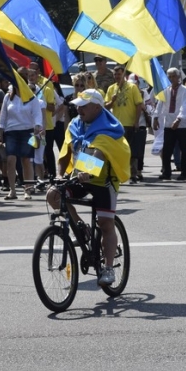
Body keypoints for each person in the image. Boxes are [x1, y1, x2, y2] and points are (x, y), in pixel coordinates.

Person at [48, 89, 130, 286]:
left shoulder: (107, 127)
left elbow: (99, 153)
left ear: (97, 107)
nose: (78, 109)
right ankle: (80, 227)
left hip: (102, 181)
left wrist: (88, 171)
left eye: (83, 106)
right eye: (77, 105)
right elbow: (65, 152)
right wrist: (60, 174)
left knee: (105, 224)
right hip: (80, 176)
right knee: (53, 195)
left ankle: (108, 268)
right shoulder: (75, 124)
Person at [0, 82, 42, 200]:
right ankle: (12, 191)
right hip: (11, 132)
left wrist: (37, 126)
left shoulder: (32, 97)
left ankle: (27, 190)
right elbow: (3, 116)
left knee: (26, 160)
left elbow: (38, 114)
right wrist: (0, 133)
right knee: (11, 159)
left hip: (27, 131)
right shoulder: (8, 96)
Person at [105, 65, 144, 182]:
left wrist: (136, 121)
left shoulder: (132, 87)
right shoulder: (111, 89)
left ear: (124, 75)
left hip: (130, 124)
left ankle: (133, 174)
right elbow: (105, 107)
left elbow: (139, 105)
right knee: (117, 151)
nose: (117, 77)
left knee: (131, 150)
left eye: (119, 74)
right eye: (115, 74)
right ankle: (118, 174)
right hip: (117, 125)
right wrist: (112, 101)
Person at [153, 68, 186, 181]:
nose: (171, 78)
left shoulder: (184, 90)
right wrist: (155, 117)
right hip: (169, 124)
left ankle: (184, 173)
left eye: (173, 76)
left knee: (184, 150)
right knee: (167, 150)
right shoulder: (165, 90)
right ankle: (166, 172)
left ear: (178, 77)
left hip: (182, 124)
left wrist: (179, 119)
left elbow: (185, 106)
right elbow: (160, 104)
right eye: (169, 76)